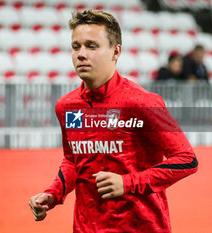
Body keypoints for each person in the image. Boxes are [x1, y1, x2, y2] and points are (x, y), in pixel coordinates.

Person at [29, 10, 198, 233]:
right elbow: (72, 161)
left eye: (91, 46)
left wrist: (127, 183)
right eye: (76, 46)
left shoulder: (142, 102)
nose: (81, 54)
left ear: (115, 51)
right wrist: (53, 193)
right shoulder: (66, 106)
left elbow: (187, 160)